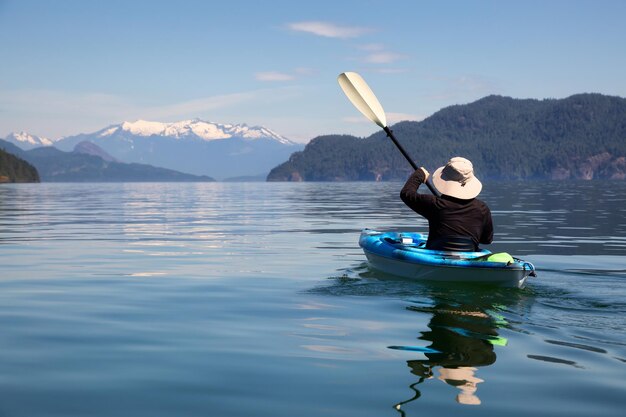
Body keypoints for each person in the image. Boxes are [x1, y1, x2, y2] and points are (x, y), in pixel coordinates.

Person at [400, 157, 493, 251]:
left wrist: (419, 175)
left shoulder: (434, 204)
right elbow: (486, 240)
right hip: (469, 258)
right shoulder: (482, 209)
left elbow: (406, 194)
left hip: (435, 254)